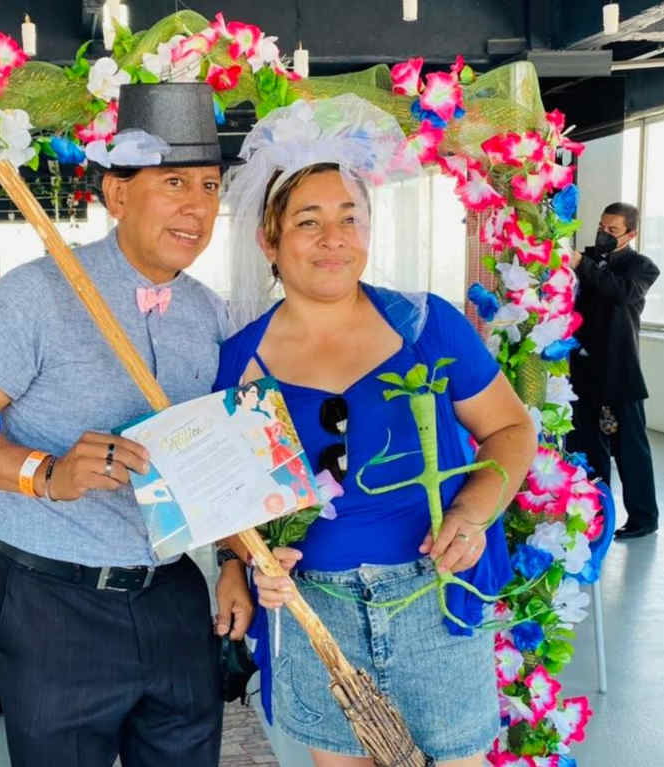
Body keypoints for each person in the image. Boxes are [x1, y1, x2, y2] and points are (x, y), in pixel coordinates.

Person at [0, 82, 253, 767]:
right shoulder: (37, 294)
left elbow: (227, 458)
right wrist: (43, 473)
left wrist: (230, 562)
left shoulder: (211, 315)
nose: (198, 205)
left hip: (172, 595)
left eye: (212, 186)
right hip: (52, 602)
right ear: (117, 193)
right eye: (175, 182)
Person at [213, 96, 537, 767]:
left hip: (434, 599)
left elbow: (509, 428)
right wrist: (249, 561)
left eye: (349, 217)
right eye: (309, 220)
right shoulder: (240, 360)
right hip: (314, 614)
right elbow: (232, 500)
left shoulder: (427, 326)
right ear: (268, 240)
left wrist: (473, 513)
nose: (334, 236)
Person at [567, 203, 660, 540]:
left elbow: (621, 293)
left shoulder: (642, 268)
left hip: (621, 372)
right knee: (587, 447)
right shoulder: (585, 259)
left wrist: (584, 265)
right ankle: (593, 515)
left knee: (631, 449)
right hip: (583, 369)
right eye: (602, 227)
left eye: (613, 231)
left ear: (630, 234)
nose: (603, 234)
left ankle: (644, 518)